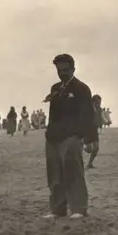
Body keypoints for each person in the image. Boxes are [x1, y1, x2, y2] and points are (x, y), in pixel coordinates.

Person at [44, 53, 96, 220]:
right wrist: (49, 133)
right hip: (54, 137)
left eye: (66, 70)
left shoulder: (82, 88)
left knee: (73, 171)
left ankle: (79, 208)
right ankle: (57, 209)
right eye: (59, 70)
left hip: (72, 136)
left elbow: (88, 115)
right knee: (54, 173)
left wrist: (89, 139)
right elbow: (52, 115)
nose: (62, 73)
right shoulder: (55, 89)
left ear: (73, 69)